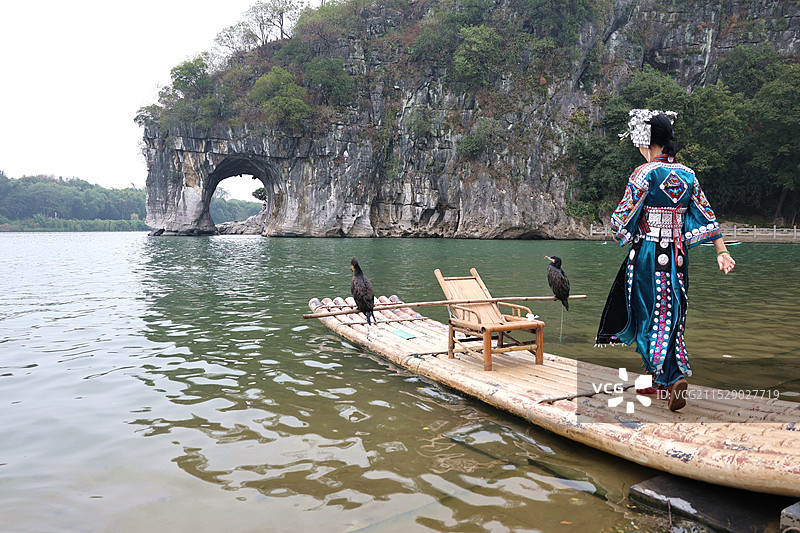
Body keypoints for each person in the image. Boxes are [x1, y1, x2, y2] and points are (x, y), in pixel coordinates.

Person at [595, 109, 736, 411]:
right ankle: (659, 380)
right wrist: (721, 251)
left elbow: (621, 220)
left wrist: (624, 232)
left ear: (648, 142)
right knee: (671, 313)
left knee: (647, 313)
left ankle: (671, 377)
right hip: (678, 258)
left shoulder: (644, 173)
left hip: (648, 253)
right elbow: (707, 216)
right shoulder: (688, 175)